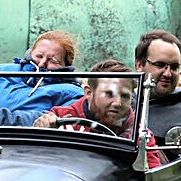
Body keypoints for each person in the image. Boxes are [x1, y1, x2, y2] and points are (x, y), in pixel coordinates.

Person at [32, 60, 164, 168]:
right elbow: (36, 164)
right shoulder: (60, 118)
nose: (118, 103)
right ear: (89, 93)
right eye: (109, 94)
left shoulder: (140, 135)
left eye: (125, 96)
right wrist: (40, 131)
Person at [134, 30, 181, 148]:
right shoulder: (119, 102)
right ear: (139, 65)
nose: (168, 74)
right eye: (160, 65)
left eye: (175, 67)